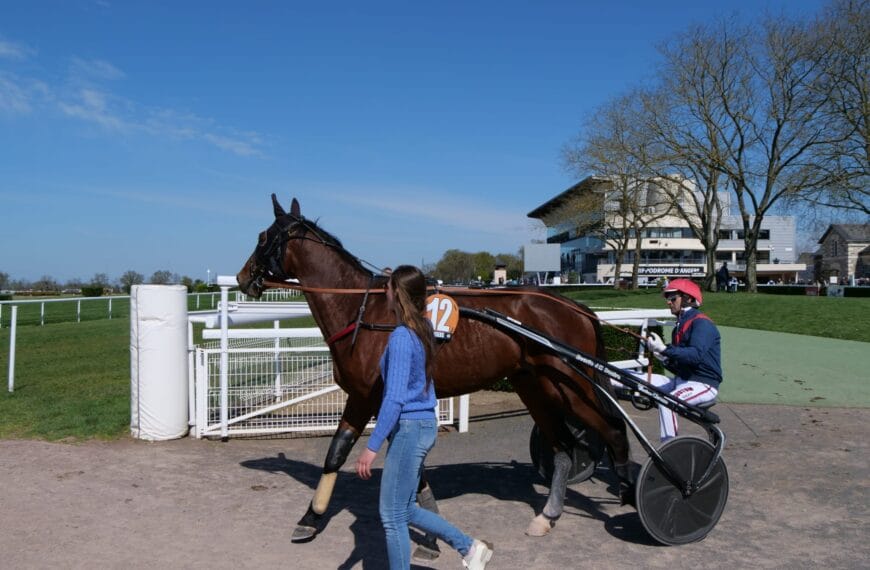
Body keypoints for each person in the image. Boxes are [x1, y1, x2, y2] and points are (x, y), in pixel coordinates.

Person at [356, 265, 493, 569]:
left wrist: (372, 446)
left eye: (388, 288)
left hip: (409, 428)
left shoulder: (403, 338)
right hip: (420, 426)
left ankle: (468, 548)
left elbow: (393, 398)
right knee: (405, 510)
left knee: (392, 518)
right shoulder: (422, 329)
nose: (385, 292)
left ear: (398, 294)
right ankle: (469, 548)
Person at [642, 278, 722, 442]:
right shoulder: (681, 324)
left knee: (666, 402)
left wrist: (665, 349)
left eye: (672, 298)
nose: (668, 302)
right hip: (682, 381)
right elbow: (682, 365)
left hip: (703, 384)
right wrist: (663, 356)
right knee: (637, 379)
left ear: (689, 299)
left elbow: (694, 355)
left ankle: (670, 451)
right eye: (668, 298)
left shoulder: (702, 323)